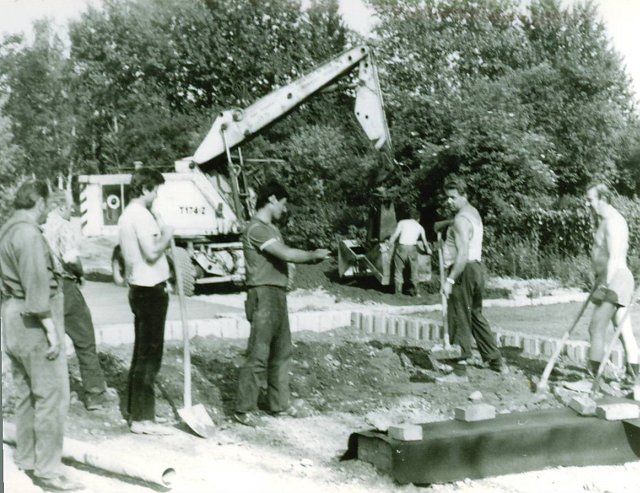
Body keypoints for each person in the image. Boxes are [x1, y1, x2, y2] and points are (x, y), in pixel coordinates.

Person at [0, 180, 82, 491]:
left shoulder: (7, 229)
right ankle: (48, 471)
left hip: (12, 315)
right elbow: (36, 287)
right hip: (34, 320)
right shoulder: (30, 234)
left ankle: (27, 459)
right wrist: (53, 332)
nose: (47, 210)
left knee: (26, 394)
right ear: (40, 203)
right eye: (46, 204)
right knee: (51, 396)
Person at [234, 180, 330, 426]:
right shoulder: (256, 229)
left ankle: (278, 404)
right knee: (259, 352)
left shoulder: (272, 229)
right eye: (283, 203)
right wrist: (312, 256)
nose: (285, 210)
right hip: (262, 294)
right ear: (273, 199)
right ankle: (243, 409)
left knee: (281, 351)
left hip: (276, 294)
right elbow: (285, 254)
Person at [43, 190, 116, 411]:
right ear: (60, 206)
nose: (72, 209)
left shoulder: (41, 225)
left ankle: (56, 395)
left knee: (51, 341)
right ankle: (95, 393)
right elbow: (71, 258)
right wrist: (81, 273)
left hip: (44, 286)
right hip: (65, 285)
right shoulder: (64, 226)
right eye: (70, 205)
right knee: (84, 338)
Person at [117, 167, 174, 435]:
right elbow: (152, 252)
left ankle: (135, 412)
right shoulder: (140, 215)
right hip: (150, 289)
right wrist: (167, 234)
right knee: (150, 355)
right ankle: (142, 419)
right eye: (154, 190)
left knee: (142, 353)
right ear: (144, 189)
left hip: (139, 287)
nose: (156, 196)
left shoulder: (127, 215)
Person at [438, 175, 507, 378]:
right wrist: (444, 224)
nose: (448, 201)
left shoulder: (460, 220)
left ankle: (459, 369)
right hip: (476, 269)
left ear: (463, 195)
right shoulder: (472, 213)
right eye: (447, 197)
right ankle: (496, 360)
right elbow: (461, 225)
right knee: (475, 315)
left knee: (460, 316)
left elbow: (462, 254)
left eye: (452, 197)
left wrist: (450, 280)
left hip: (462, 270)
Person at [586, 183, 639, 383]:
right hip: (610, 279)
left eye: (590, 199)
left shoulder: (613, 222)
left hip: (616, 280)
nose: (587, 204)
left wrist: (604, 286)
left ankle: (592, 379)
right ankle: (634, 374)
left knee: (596, 327)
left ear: (603, 199)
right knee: (621, 326)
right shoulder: (605, 220)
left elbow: (615, 258)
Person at [388, 206, 431, 296]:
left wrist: (388, 245)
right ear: (418, 218)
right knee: (414, 271)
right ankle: (417, 293)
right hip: (412, 249)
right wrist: (428, 250)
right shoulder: (420, 227)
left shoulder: (402, 222)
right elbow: (425, 243)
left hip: (402, 247)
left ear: (410, 217)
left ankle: (398, 293)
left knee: (398, 271)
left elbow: (395, 236)